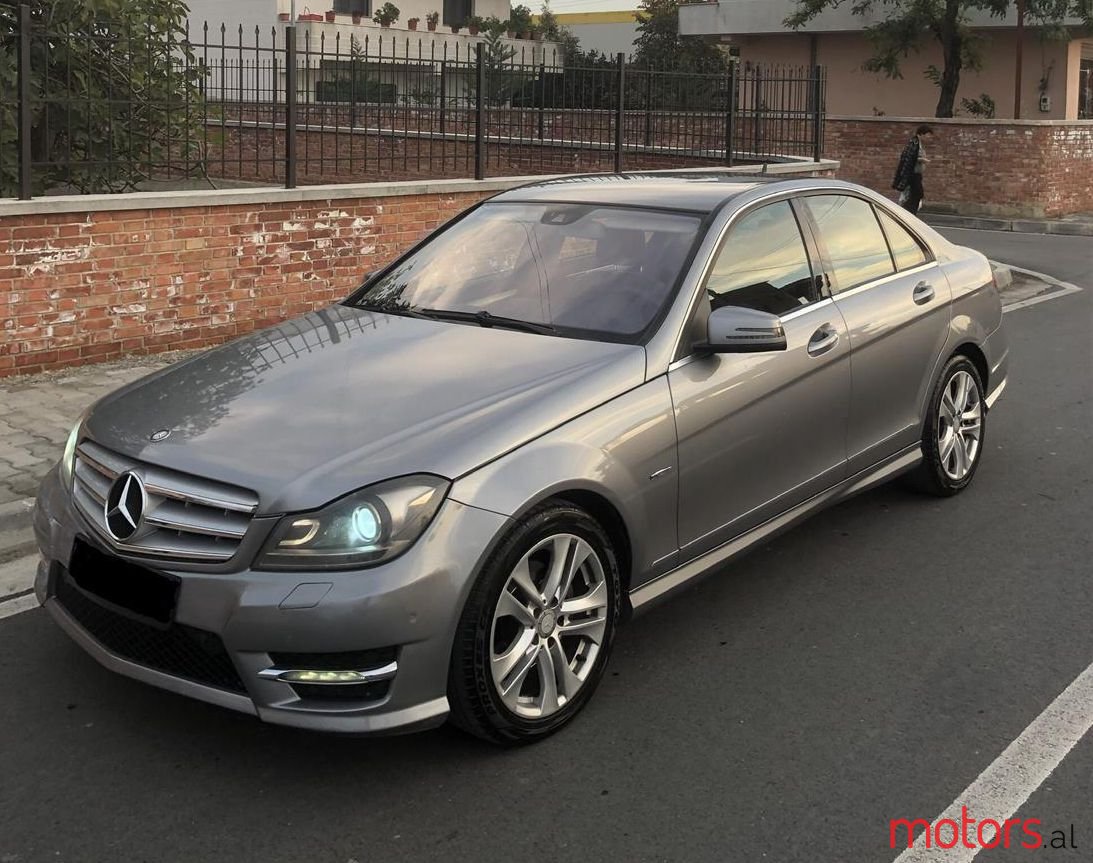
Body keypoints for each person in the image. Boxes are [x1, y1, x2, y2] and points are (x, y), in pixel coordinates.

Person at [892, 125, 933, 215]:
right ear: (921, 134)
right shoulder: (914, 143)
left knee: (916, 194)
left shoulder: (918, 143)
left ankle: (909, 211)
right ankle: (908, 212)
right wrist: (921, 160)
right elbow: (908, 157)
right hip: (912, 174)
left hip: (916, 174)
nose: (928, 138)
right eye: (927, 135)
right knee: (917, 193)